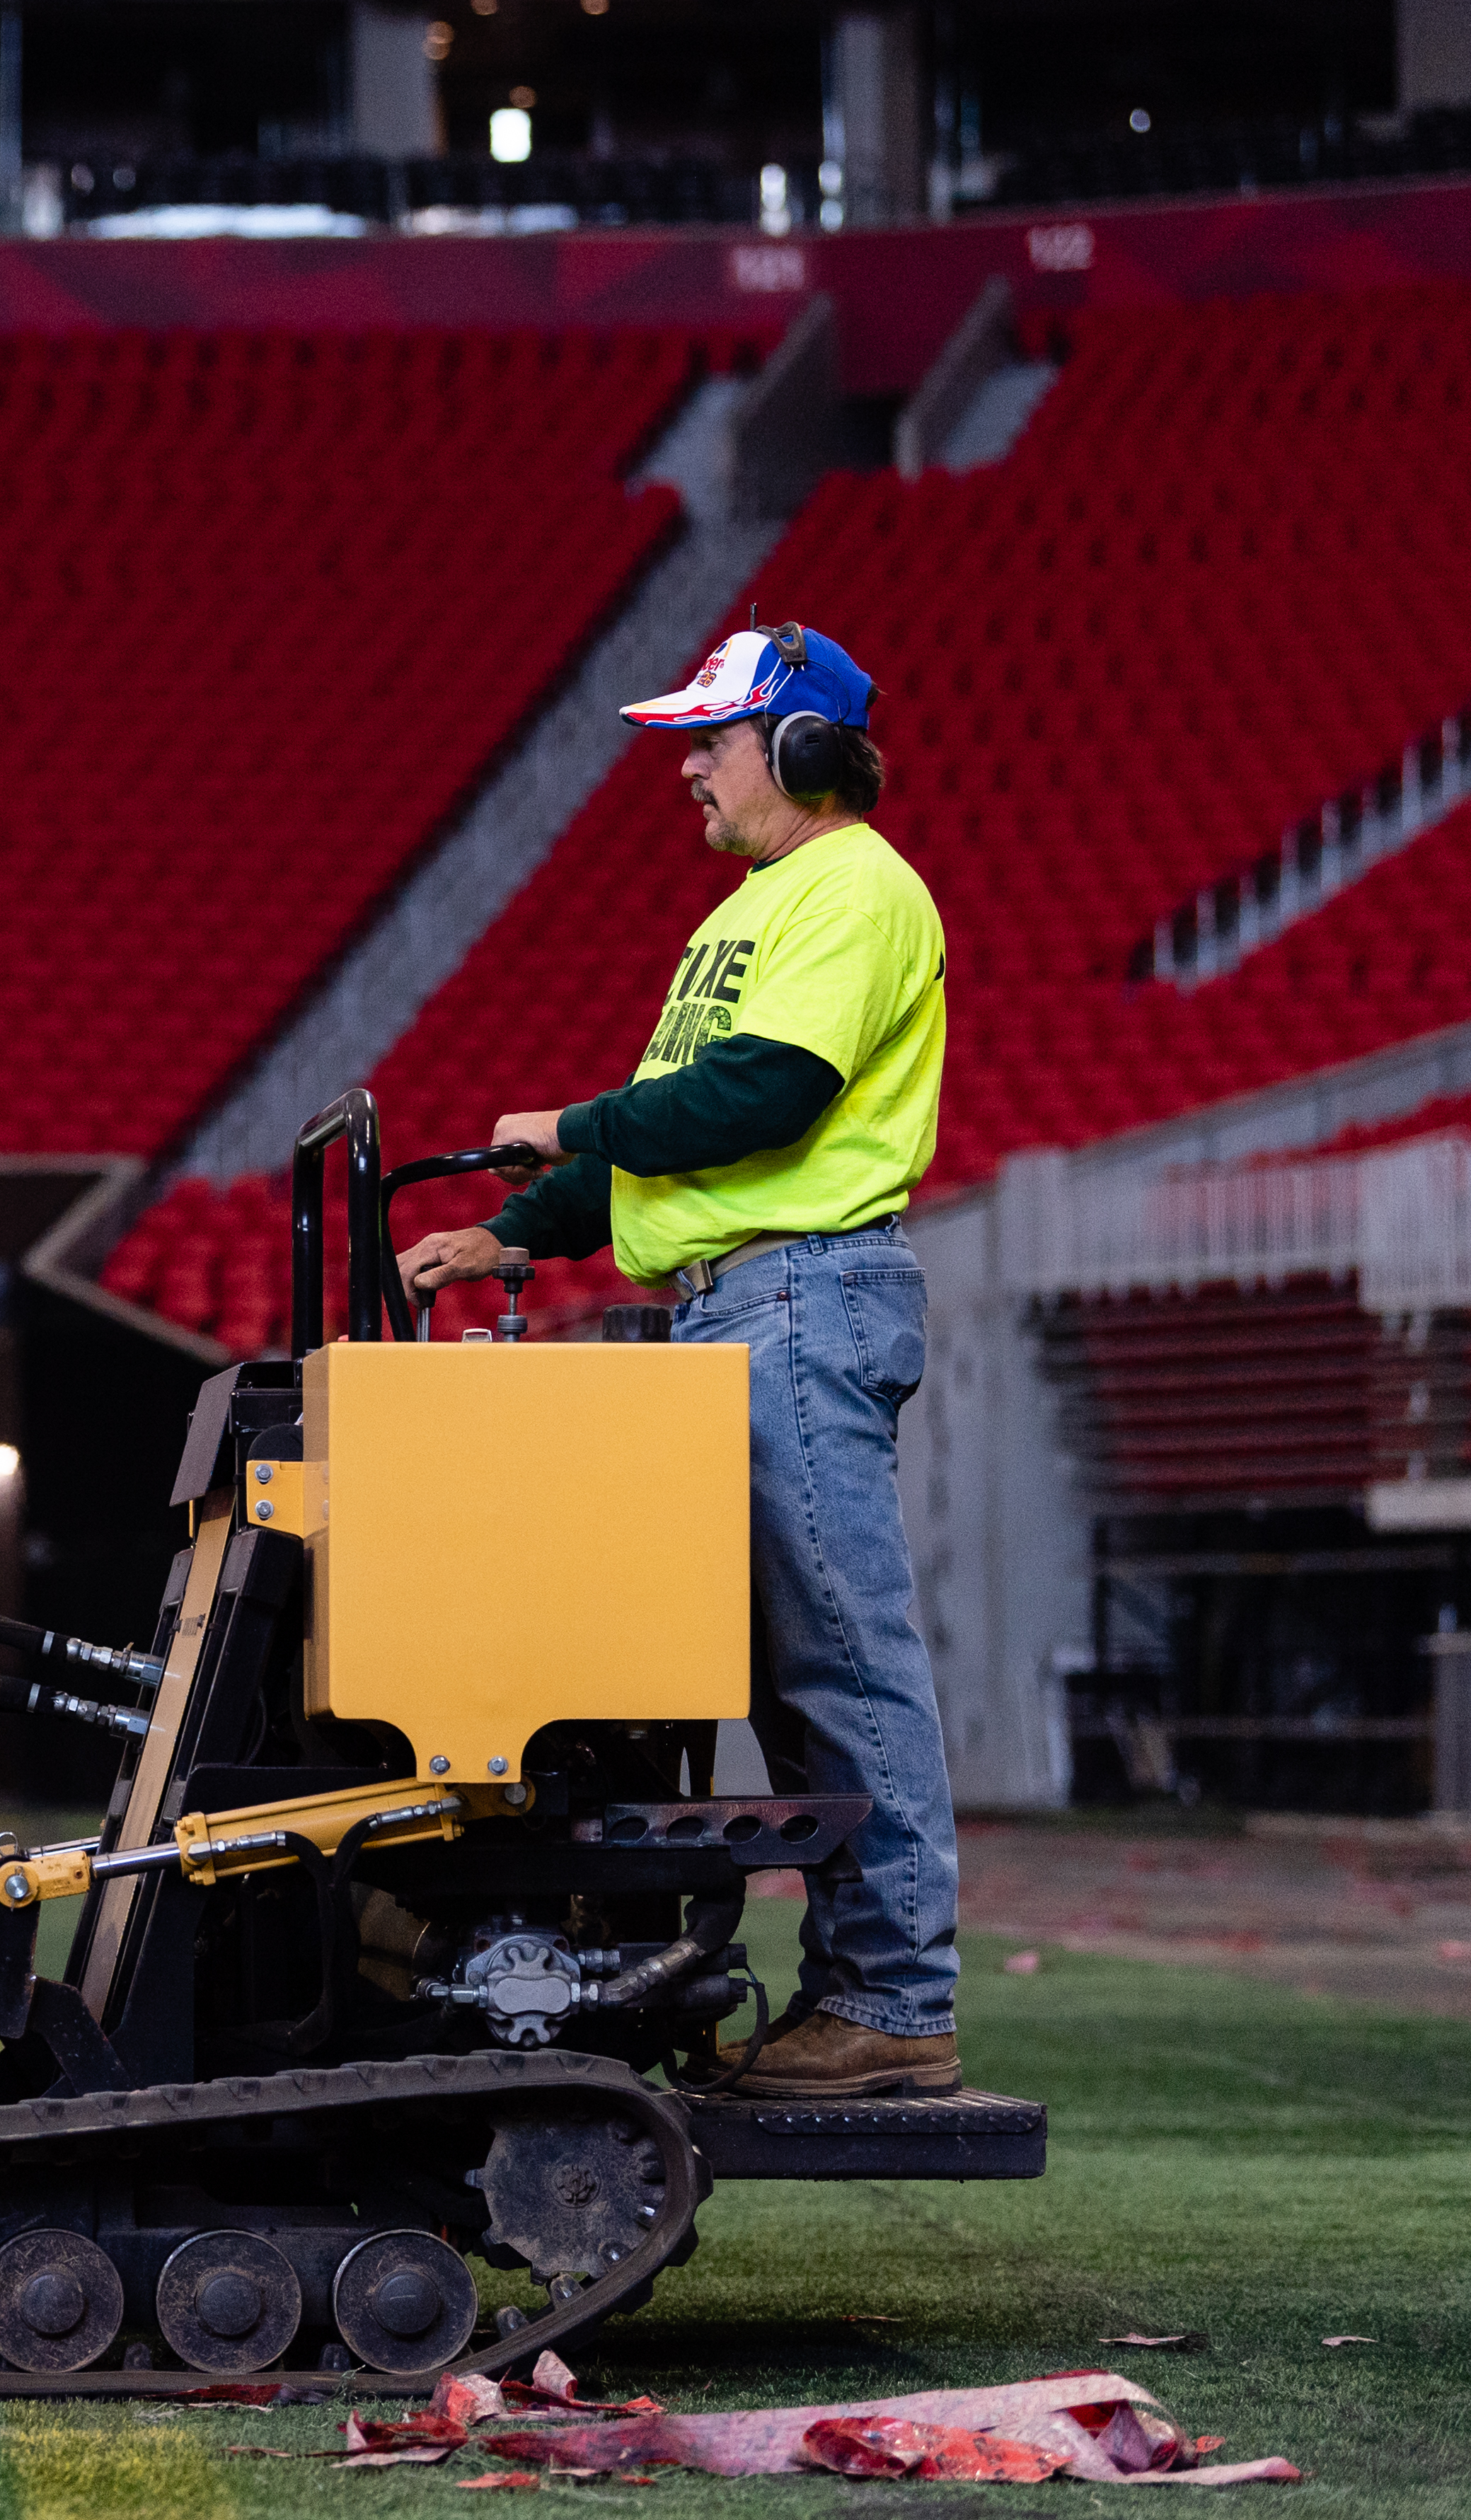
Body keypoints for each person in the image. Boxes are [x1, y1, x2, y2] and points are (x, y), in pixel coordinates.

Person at [396, 623, 959, 2102]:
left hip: (800, 1296)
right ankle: (855, 1992)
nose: (686, 774)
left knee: (838, 1660)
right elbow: (676, 1124)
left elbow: (759, 1096)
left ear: (797, 751)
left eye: (707, 743)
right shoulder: (764, 905)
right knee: (785, 1666)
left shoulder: (849, 885)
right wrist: (513, 1233)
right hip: (742, 1301)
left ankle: (894, 2000)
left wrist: (569, 1123)